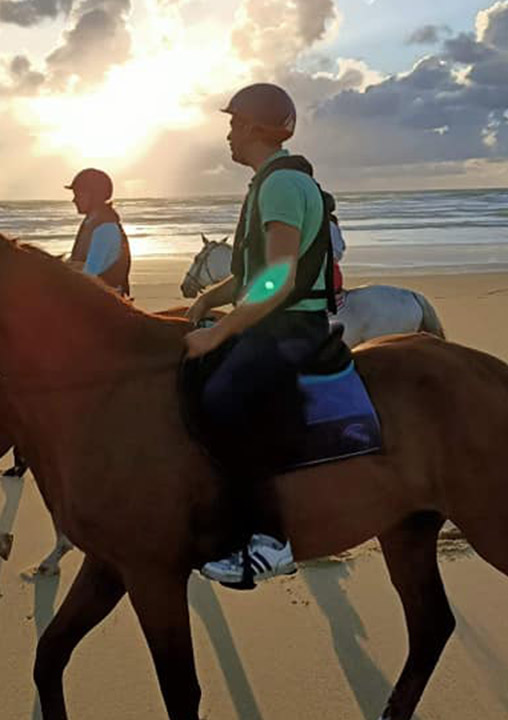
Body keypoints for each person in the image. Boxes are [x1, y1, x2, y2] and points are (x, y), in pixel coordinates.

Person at [184, 83, 337, 586]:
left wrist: (219, 332)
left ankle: (272, 540)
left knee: (223, 399)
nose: (228, 134)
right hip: (271, 318)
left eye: (233, 124)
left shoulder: (281, 186)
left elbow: (279, 278)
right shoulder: (267, 182)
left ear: (252, 127)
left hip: (292, 326)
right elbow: (250, 275)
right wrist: (206, 301)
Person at [65, 168, 131, 296]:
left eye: (78, 195)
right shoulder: (91, 222)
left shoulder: (105, 228)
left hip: (102, 299)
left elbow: (90, 273)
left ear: (94, 196)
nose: (74, 200)